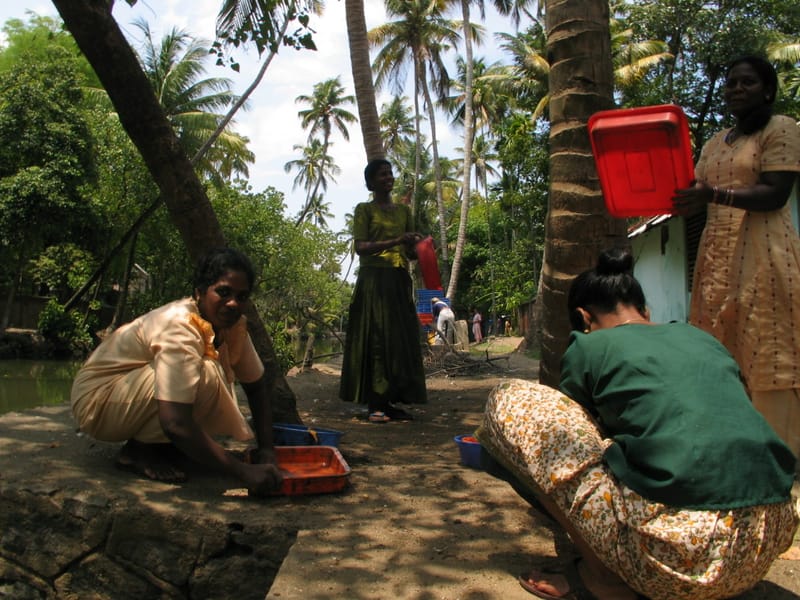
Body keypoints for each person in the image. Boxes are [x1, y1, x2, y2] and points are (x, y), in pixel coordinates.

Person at [477, 248, 798, 600]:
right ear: (645, 311)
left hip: (679, 563)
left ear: (584, 317)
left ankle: (604, 579)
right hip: (761, 543)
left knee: (512, 399)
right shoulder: (701, 338)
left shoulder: (589, 346)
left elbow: (580, 428)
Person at [70, 248, 283, 494]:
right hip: (97, 401)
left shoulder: (231, 326)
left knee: (203, 373)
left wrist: (267, 450)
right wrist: (241, 471)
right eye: (223, 292)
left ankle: (162, 446)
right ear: (200, 292)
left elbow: (256, 386)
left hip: (124, 396)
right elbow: (175, 421)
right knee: (205, 373)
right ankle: (138, 452)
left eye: (241, 296)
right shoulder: (180, 325)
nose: (233, 303)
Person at [673, 55, 800, 460]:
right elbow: (693, 190)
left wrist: (715, 196)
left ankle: (778, 462)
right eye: (731, 83)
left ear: (768, 89)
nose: (737, 89)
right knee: (719, 353)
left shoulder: (781, 129)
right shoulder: (714, 143)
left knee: (768, 352)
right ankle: (729, 455)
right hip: (717, 261)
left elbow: (775, 193)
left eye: (747, 82)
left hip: (765, 257)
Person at [339, 159, 428, 423]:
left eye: (390, 173)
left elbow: (409, 253)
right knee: (377, 339)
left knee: (398, 340)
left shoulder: (403, 212)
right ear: (371, 182)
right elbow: (361, 247)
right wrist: (397, 240)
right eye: (382, 174)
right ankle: (375, 403)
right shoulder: (364, 210)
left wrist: (416, 246)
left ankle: (391, 402)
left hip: (399, 279)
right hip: (374, 281)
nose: (388, 177)